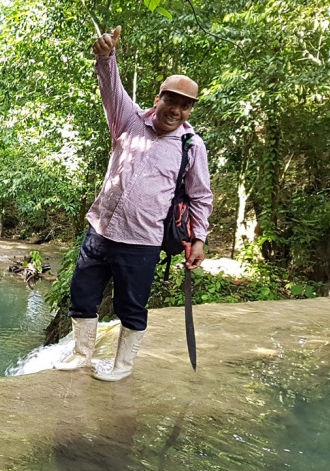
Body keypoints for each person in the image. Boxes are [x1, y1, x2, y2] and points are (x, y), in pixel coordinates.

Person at [54, 25, 213, 381]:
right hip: (100, 230)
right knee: (82, 296)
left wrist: (198, 239)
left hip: (142, 241)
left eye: (185, 105)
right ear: (159, 98)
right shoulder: (128, 120)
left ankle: (122, 366)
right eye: (171, 100)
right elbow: (112, 88)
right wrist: (106, 56)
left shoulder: (192, 146)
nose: (176, 109)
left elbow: (201, 195)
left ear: (190, 110)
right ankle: (81, 354)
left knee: (132, 308)